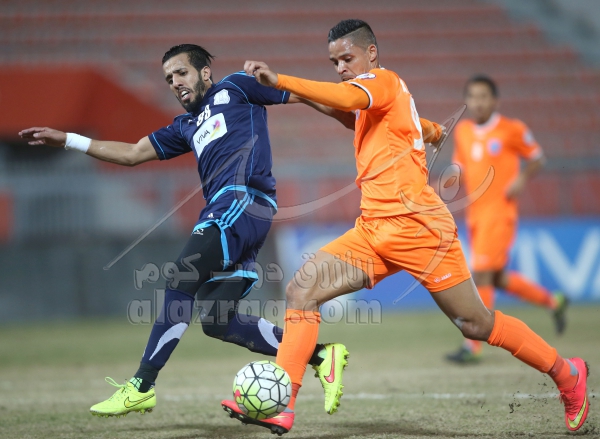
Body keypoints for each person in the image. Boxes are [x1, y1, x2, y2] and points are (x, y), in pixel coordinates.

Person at [220, 19, 590, 435]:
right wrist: (287, 95)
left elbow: (347, 98)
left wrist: (282, 81)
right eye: (334, 62)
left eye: (347, 58)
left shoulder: (383, 81)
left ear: (371, 53)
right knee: (301, 290)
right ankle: (282, 404)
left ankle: (568, 374)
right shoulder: (376, 99)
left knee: (476, 324)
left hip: (420, 230)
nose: (341, 67)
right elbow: (348, 113)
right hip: (373, 230)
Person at [19, 44, 356, 418]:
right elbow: (132, 153)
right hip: (232, 214)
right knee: (218, 321)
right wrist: (68, 139)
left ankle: (141, 385)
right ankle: (320, 355)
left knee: (183, 276)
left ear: (204, 73)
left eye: (181, 72)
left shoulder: (236, 88)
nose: (175, 82)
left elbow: (299, 93)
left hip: (241, 202)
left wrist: (350, 117)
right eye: (168, 78)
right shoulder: (186, 126)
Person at [446, 75, 569, 364]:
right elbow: (460, 165)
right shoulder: (463, 131)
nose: (478, 102)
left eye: (483, 97)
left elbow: (537, 157)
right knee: (498, 278)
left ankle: (472, 346)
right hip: (476, 214)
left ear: (495, 101)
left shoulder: (511, 129)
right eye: (473, 97)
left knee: (481, 274)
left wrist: (522, 179)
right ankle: (554, 302)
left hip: (500, 212)